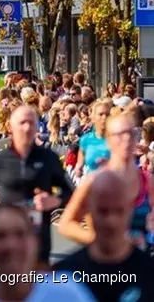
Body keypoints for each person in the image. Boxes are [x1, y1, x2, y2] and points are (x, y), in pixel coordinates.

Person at [0, 105, 74, 269]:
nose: (27, 127)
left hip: (38, 240)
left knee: (39, 290)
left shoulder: (49, 158)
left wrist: (54, 201)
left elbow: (70, 192)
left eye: (32, 123)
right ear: (11, 127)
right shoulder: (1, 159)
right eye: (22, 122)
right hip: (7, 240)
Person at [0, 204, 94, 302]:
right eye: (0, 236)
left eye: (20, 234)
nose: (11, 245)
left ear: (35, 242)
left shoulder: (66, 295)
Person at [58, 113, 154, 250]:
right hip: (104, 264)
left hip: (139, 264)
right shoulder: (94, 181)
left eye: (130, 134)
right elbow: (66, 224)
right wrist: (99, 240)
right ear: (108, 140)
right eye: (120, 134)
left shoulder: (146, 180)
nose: (126, 139)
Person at [54, 170, 154, 300]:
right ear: (88, 211)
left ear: (130, 211)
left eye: (119, 211)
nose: (111, 221)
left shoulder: (149, 273)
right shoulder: (63, 276)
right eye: (103, 211)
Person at [75, 99, 113, 180]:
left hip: (112, 186)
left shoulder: (117, 139)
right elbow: (80, 164)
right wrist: (78, 169)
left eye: (107, 114)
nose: (104, 117)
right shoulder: (85, 139)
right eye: (101, 114)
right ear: (93, 117)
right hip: (92, 185)